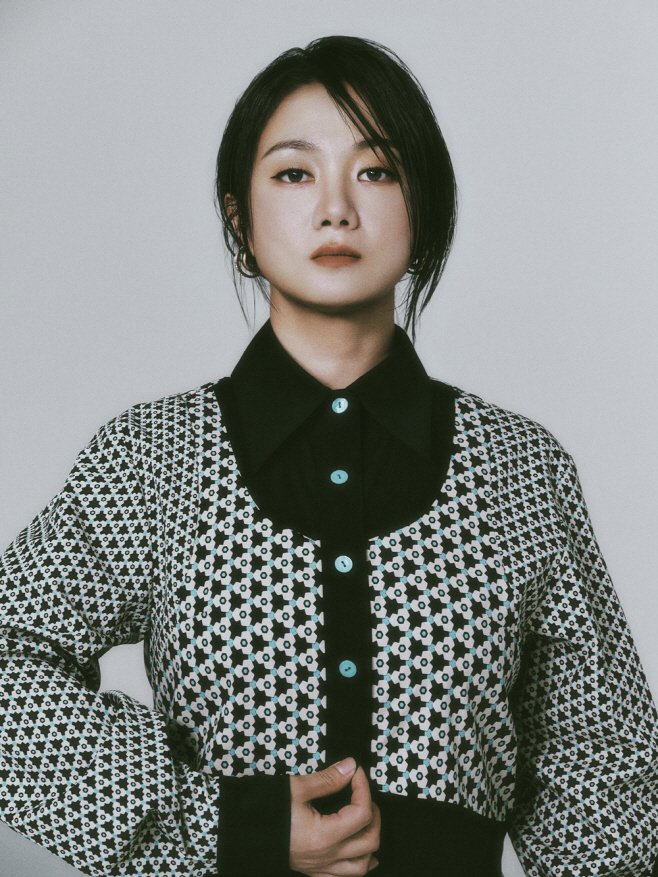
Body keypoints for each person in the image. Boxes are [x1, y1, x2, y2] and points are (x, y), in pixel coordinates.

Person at [0, 34, 656, 877]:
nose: (337, 209)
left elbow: (606, 777)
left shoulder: (521, 468)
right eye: (293, 174)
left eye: (376, 171)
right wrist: (231, 827)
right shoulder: (153, 458)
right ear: (238, 219)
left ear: (425, 208)